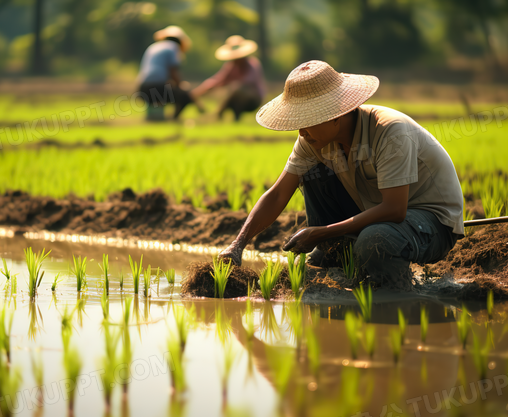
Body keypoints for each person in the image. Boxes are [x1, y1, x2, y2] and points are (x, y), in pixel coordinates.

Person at [219, 61, 465, 288]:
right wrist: (237, 245)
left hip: (431, 221)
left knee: (375, 241)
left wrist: (322, 232)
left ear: (335, 115)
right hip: (376, 214)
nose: (301, 132)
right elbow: (277, 194)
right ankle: (337, 252)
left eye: (307, 121)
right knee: (314, 171)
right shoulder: (313, 140)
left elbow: (395, 209)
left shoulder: (390, 131)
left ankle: (394, 291)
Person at [191, 35, 266, 121]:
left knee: (238, 89)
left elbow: (247, 83)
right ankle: (222, 115)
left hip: (253, 100)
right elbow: (218, 80)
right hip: (235, 99)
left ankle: (220, 113)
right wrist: (197, 93)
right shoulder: (231, 67)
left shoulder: (252, 64)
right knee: (234, 91)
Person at [136, 25, 199, 121]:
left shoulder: (153, 47)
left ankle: (154, 118)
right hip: (158, 88)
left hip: (142, 89)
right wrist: (182, 87)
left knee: (163, 94)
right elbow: (173, 71)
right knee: (184, 95)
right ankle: (174, 119)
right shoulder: (173, 47)